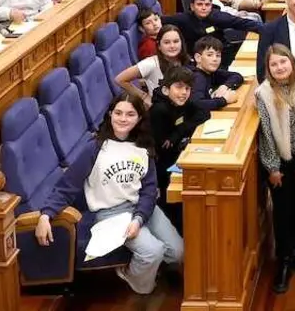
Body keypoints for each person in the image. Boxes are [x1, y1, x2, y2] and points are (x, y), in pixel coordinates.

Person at [35, 93, 184, 294]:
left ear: (139, 118)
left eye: (130, 114)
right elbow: (66, 186)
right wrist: (46, 214)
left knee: (178, 252)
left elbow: (149, 190)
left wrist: (139, 219)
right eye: (118, 113)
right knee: (153, 252)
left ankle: (139, 268)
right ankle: (136, 281)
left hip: (142, 208)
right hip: (111, 213)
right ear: (110, 114)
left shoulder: (144, 147)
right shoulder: (94, 148)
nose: (123, 119)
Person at [256, 45, 295, 294]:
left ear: (291, 63)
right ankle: (284, 260)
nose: (280, 67)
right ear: (268, 69)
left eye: (283, 62)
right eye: (274, 64)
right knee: (282, 211)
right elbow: (266, 135)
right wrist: (272, 168)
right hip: (280, 162)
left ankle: (294, 250)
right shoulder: (264, 93)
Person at [162, 0, 263, 71]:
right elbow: (160, 21)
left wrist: (268, 29)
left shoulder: (218, 16)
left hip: (220, 57)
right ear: (192, 7)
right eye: (199, 4)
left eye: (207, 5)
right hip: (195, 61)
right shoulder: (183, 19)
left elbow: (241, 23)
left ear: (211, 6)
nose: (203, 8)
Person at [148, 66, 210, 195]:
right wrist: (177, 137)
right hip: (158, 165)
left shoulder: (180, 101)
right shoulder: (159, 110)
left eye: (187, 88)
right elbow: (163, 147)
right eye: (179, 87)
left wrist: (178, 133)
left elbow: (204, 114)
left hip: (174, 152)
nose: (183, 92)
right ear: (166, 90)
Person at [115, 25, 188, 100]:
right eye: (167, 42)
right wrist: (144, 97)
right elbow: (120, 80)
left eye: (176, 41)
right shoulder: (151, 63)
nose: (172, 46)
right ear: (159, 46)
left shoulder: (189, 61)